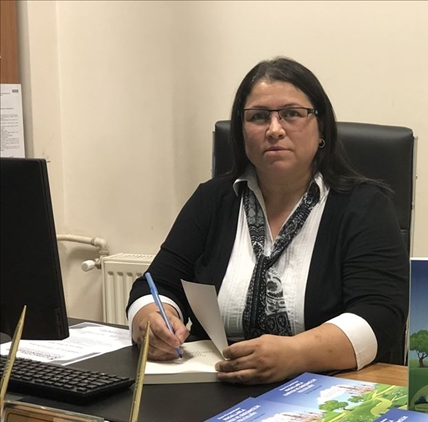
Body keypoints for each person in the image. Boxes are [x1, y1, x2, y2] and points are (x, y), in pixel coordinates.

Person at [127, 56, 409, 385]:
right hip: (214, 385)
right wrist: (151, 319)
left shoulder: (364, 206)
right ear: (242, 132)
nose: (274, 130)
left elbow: (381, 314)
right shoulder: (213, 200)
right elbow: (157, 285)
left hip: (321, 386)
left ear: (321, 127)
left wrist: (297, 353)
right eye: (258, 117)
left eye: (292, 114)